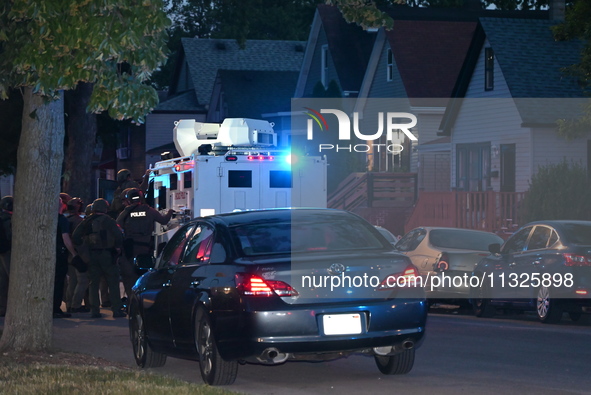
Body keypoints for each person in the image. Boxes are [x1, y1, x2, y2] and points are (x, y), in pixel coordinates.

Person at [73, 198, 125, 318]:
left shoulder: (86, 221)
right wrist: (117, 248)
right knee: (112, 282)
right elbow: (118, 236)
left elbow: (76, 236)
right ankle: (116, 310)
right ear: (105, 208)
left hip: (92, 255)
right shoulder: (109, 221)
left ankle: (95, 311)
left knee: (93, 283)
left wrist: (83, 248)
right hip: (107, 254)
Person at [116, 188, 173, 300]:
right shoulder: (150, 210)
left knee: (129, 276)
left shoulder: (126, 212)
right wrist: (170, 211)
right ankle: (142, 299)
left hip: (129, 249)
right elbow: (164, 221)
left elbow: (117, 226)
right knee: (143, 275)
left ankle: (131, 300)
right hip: (145, 248)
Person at [64, 197, 90, 313]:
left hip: (69, 255)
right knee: (83, 280)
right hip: (80, 255)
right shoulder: (79, 221)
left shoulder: (66, 220)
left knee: (73, 281)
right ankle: (76, 305)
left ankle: (69, 304)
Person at [55, 196, 77, 318]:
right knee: (59, 282)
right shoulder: (62, 220)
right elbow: (66, 239)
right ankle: (56, 309)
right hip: (60, 254)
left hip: (51, 253)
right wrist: (73, 253)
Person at [0, 196, 13, 317]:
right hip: (8, 251)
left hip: (1, 251)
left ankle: (2, 308)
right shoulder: (9, 220)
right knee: (12, 279)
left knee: (2, 281)